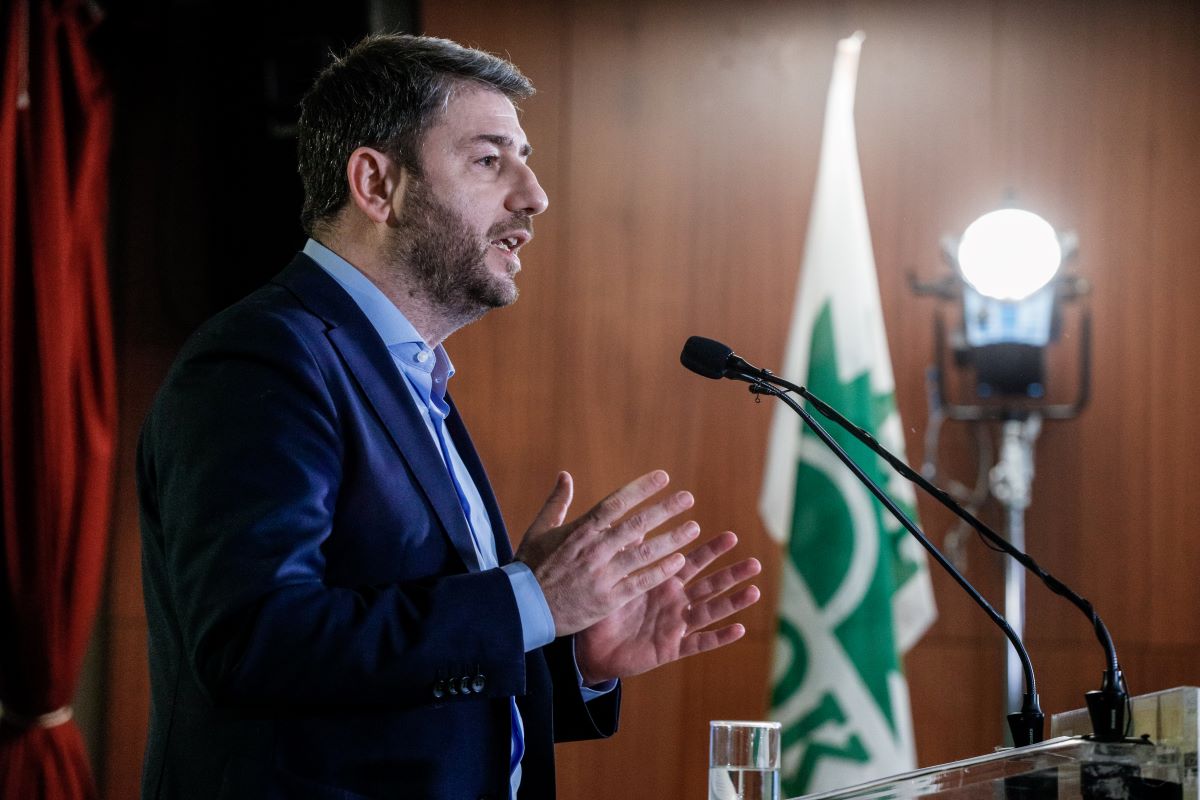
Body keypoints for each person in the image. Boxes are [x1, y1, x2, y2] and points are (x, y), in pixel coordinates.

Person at [137, 33, 761, 800]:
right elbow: (256, 644)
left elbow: (414, 693)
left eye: (525, 159)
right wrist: (530, 601)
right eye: (489, 160)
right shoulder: (263, 359)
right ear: (377, 184)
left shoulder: (411, 372)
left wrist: (565, 648)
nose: (534, 195)